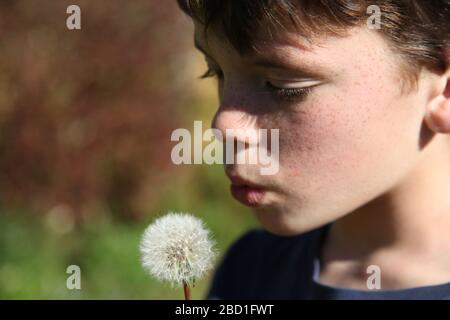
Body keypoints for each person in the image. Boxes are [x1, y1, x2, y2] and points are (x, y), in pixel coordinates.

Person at [177, 0, 450, 299]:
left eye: (282, 85)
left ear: (445, 90)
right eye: (216, 71)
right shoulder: (251, 270)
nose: (223, 125)